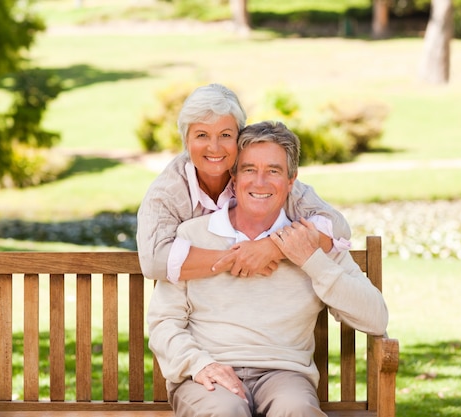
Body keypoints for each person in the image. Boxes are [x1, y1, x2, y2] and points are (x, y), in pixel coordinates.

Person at [147, 121, 389, 417]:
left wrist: (310, 260)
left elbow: (376, 319)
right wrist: (199, 364)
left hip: (284, 374)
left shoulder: (310, 240)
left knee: (297, 411)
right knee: (225, 412)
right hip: (208, 372)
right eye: (249, 169)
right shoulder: (192, 236)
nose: (260, 182)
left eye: (273, 171)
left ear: (291, 181)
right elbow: (164, 323)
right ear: (233, 178)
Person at [137, 83, 351, 283]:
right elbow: (154, 260)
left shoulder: (255, 178)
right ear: (186, 141)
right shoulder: (167, 192)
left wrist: (270, 249)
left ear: (239, 138)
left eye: (225, 135)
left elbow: (337, 227)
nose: (214, 147)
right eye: (202, 135)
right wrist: (238, 258)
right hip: (201, 307)